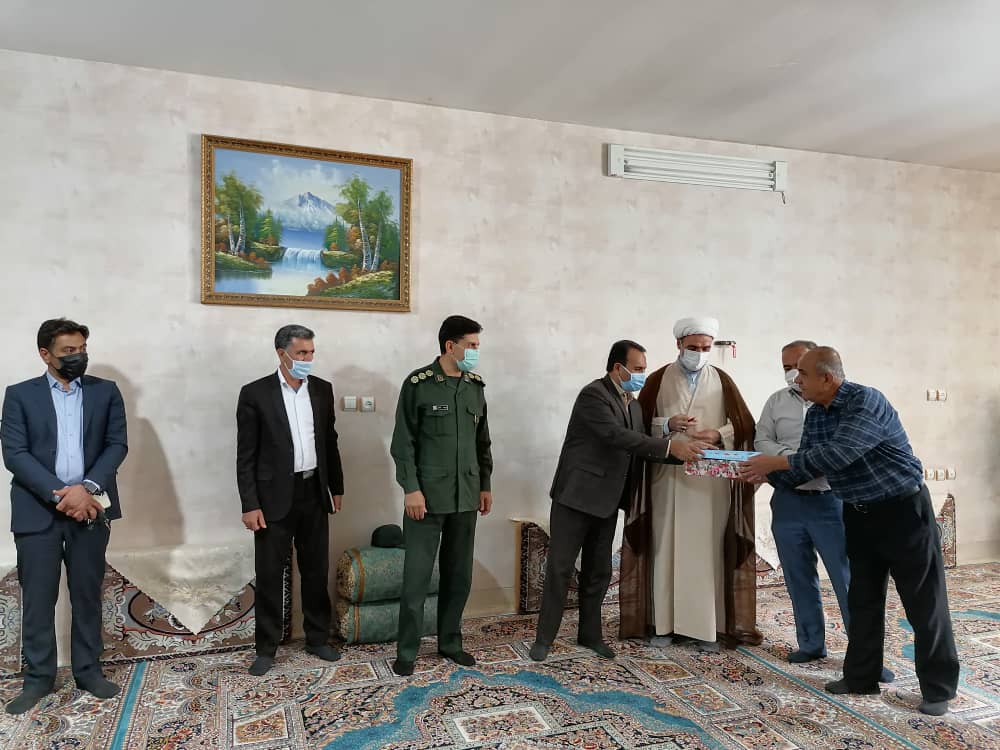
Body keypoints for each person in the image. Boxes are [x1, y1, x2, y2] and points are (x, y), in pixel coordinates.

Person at [740, 347, 959, 716]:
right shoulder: (816, 413)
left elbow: (839, 454)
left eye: (803, 373)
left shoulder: (866, 401)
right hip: (857, 513)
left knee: (923, 602)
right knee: (863, 599)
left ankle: (938, 689)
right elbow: (807, 466)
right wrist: (758, 473)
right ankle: (860, 677)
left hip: (903, 511)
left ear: (827, 378)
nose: (797, 380)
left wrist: (774, 463)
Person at [529, 341, 711, 662]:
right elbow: (617, 436)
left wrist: (686, 453)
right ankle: (544, 639)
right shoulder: (593, 395)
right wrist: (672, 448)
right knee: (560, 569)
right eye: (638, 369)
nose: (642, 375)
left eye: (643, 369)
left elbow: (641, 443)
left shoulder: (633, 405)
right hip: (576, 498)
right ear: (618, 368)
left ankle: (590, 634)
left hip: (608, 501)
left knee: (598, 571)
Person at [1, 318, 128, 714]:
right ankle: (38, 678)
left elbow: (117, 445)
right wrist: (62, 493)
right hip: (37, 510)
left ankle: (88, 671)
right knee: (38, 597)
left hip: (91, 507)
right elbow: (15, 454)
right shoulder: (19, 395)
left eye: (82, 349)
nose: (79, 357)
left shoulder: (106, 392)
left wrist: (85, 489)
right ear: (46, 354)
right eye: (68, 351)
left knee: (87, 593)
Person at [620, 316, 760, 650]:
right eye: (693, 347)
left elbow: (745, 426)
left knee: (707, 553)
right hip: (667, 481)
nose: (699, 353)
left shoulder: (722, 380)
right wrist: (667, 424)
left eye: (705, 348)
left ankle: (707, 628)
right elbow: (636, 426)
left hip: (710, 486)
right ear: (679, 344)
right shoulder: (658, 379)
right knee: (665, 549)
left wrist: (718, 434)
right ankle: (663, 625)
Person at [236, 324, 344, 676]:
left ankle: (317, 638)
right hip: (272, 499)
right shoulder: (255, 393)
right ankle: (266, 648)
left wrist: (336, 487)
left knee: (315, 569)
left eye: (311, 352)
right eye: (301, 353)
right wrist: (250, 504)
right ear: (281, 353)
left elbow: (329, 441)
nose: (308, 359)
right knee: (270, 574)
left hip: (314, 491)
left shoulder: (322, 390)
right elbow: (246, 455)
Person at [390, 315, 493, 676]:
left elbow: (483, 442)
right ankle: (407, 651)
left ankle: (450, 642)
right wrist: (411, 489)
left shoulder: (474, 386)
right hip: (426, 499)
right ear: (451, 346)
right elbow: (403, 443)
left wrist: (485, 485)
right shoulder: (418, 384)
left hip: (466, 496)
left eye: (478, 345)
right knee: (416, 578)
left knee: (459, 575)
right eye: (472, 345)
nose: (476, 352)